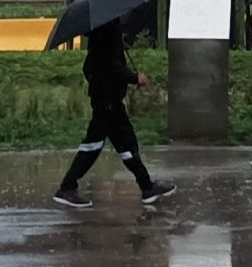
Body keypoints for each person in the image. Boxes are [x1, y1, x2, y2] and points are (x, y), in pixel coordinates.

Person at [53, 22, 175, 209]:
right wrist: (134, 78)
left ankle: (146, 186)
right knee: (93, 146)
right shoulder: (107, 32)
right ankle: (67, 187)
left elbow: (90, 67)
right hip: (107, 101)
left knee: (125, 143)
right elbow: (113, 67)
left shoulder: (98, 34)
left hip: (108, 100)